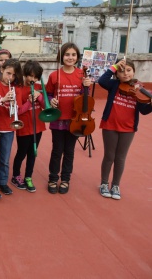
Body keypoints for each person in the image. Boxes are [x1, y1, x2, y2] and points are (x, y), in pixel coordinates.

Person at [97, 59, 152, 200]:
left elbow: (144, 111)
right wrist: (114, 67)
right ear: (117, 74)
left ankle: (115, 185)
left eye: (128, 70)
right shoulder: (114, 85)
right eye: (122, 71)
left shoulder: (139, 90)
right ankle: (104, 183)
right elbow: (102, 80)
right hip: (110, 125)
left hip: (128, 128)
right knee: (109, 156)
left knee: (120, 157)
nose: (125, 73)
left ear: (134, 71)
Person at [45, 42, 92, 194]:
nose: (70, 57)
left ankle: (65, 179)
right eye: (67, 54)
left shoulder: (82, 74)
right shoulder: (54, 75)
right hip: (58, 118)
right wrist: (51, 100)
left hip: (75, 119)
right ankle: (53, 178)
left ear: (77, 57)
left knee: (69, 151)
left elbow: (87, 99)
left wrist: (86, 87)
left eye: (73, 55)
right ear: (61, 56)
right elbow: (48, 94)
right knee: (57, 150)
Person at [0, 59, 23, 200]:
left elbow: (16, 109)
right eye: (8, 73)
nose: (10, 78)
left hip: (8, 127)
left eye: (13, 75)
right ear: (1, 70)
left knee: (5, 159)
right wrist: (3, 100)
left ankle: (2, 182)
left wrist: (13, 104)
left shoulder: (15, 88)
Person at [11, 60, 46, 192]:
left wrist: (40, 97)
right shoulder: (18, 89)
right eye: (30, 76)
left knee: (33, 153)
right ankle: (16, 175)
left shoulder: (39, 88)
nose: (32, 79)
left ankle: (28, 177)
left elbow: (44, 106)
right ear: (25, 74)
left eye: (35, 77)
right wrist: (29, 102)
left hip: (38, 126)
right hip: (24, 127)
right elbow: (18, 111)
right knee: (21, 153)